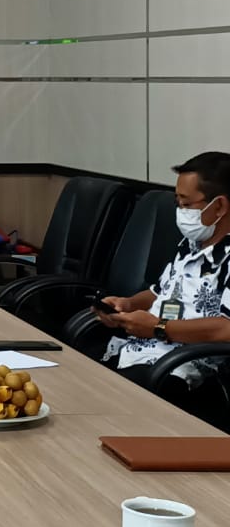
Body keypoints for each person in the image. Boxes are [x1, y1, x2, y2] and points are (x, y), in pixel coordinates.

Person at [95, 152, 230, 423]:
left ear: (219, 207)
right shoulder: (192, 245)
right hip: (143, 348)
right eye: (177, 202)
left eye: (187, 203)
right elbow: (160, 292)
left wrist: (159, 328)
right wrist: (128, 304)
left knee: (107, 406)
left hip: (186, 367)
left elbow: (226, 329)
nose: (180, 211)